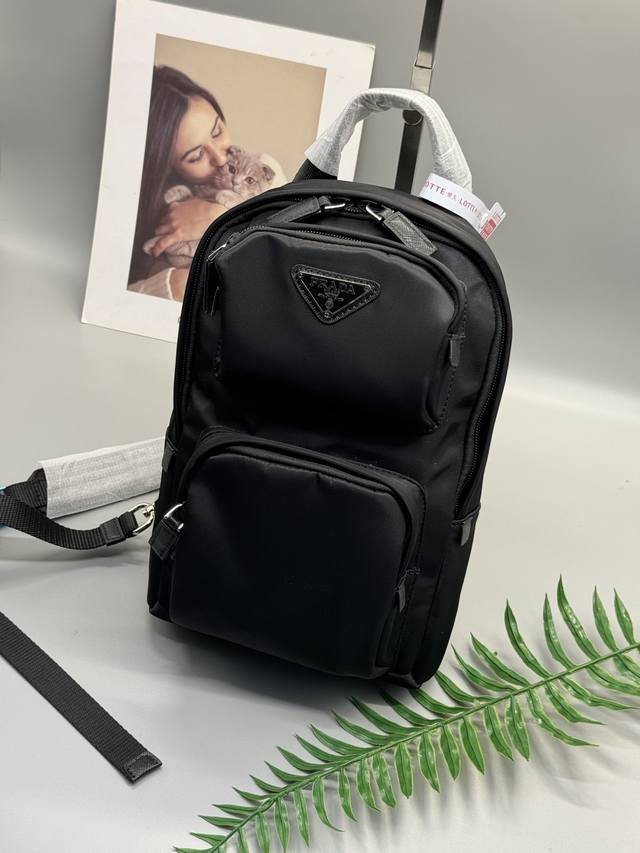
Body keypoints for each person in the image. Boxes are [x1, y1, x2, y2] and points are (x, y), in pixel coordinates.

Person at [127, 65, 287, 301]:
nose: (220, 158)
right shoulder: (141, 205)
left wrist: (217, 218)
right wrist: (178, 283)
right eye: (196, 156)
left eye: (217, 131)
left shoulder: (263, 168)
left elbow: (286, 253)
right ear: (166, 166)